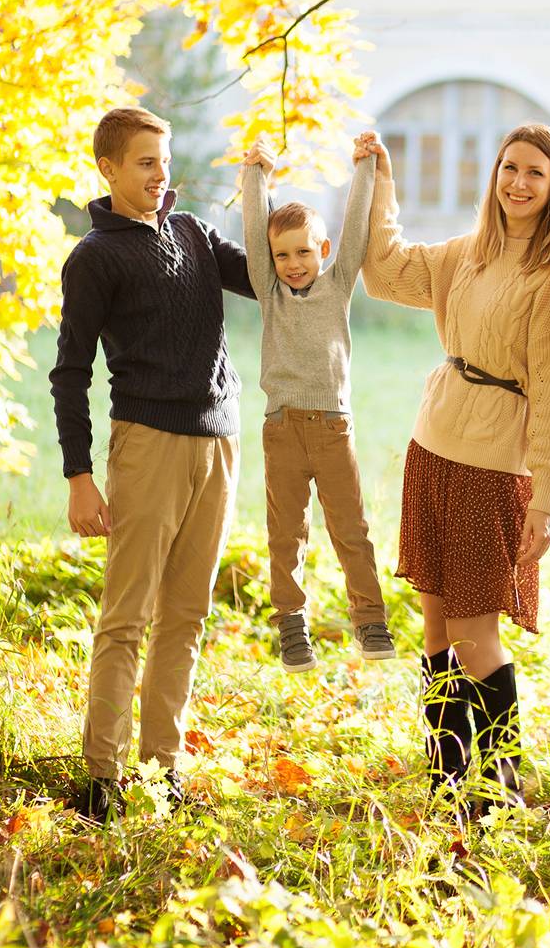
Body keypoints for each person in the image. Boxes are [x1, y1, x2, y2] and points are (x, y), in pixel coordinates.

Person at [354, 124, 550, 808]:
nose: (518, 182)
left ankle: (501, 786)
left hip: (494, 466)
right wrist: (378, 182)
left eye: (534, 173)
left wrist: (545, 498)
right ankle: (447, 781)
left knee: (473, 632)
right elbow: (382, 271)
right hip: (432, 448)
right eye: (509, 168)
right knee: (435, 625)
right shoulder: (466, 254)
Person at [49, 106, 254, 823]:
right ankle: (102, 780)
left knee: (187, 615)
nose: (159, 174)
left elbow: (272, 276)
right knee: (127, 618)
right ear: (107, 169)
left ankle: (161, 773)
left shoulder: (192, 231)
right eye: (144, 162)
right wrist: (80, 476)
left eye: (164, 161)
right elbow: (70, 372)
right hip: (148, 445)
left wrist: (261, 188)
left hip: (219, 441)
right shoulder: (95, 258)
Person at [240, 136, 395, 671]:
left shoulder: (338, 285)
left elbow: (356, 229)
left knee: (350, 528)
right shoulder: (269, 292)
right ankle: (291, 624)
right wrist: (256, 173)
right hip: (282, 429)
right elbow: (254, 232)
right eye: (282, 255)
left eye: (303, 252)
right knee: (286, 534)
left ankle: (369, 621)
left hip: (332, 428)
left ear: (323, 251)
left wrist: (365, 165)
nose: (293, 263)